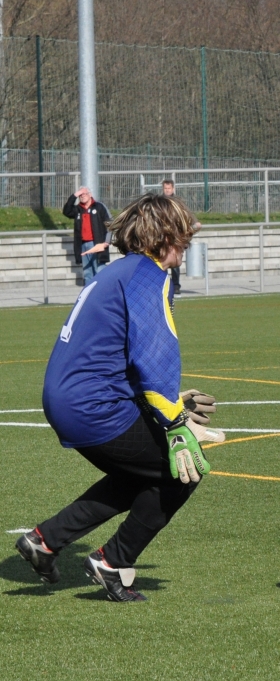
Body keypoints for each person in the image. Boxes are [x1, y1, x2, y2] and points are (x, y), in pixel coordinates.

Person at [14, 193, 222, 602]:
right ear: (163, 237)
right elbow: (154, 354)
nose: (187, 246)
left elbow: (116, 353)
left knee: (136, 475)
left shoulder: (121, 271)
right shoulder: (149, 275)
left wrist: (167, 402)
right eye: (182, 238)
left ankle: (46, 540)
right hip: (92, 405)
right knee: (182, 473)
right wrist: (175, 422)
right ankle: (113, 563)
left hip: (68, 397)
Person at [64, 187, 112, 286]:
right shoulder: (78, 209)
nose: (82, 196)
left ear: (90, 194)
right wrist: (74, 195)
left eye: (84, 194)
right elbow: (66, 211)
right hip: (83, 245)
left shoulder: (99, 207)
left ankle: (102, 295)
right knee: (87, 274)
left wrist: (106, 242)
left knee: (99, 271)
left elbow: (110, 224)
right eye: (80, 195)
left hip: (97, 244)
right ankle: (89, 298)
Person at [162, 179, 183, 294]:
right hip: (162, 235)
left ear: (173, 189)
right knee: (162, 261)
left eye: (169, 188)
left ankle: (176, 285)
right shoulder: (159, 202)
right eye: (165, 188)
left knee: (174, 261)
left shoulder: (178, 202)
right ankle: (163, 284)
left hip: (174, 235)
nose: (167, 190)